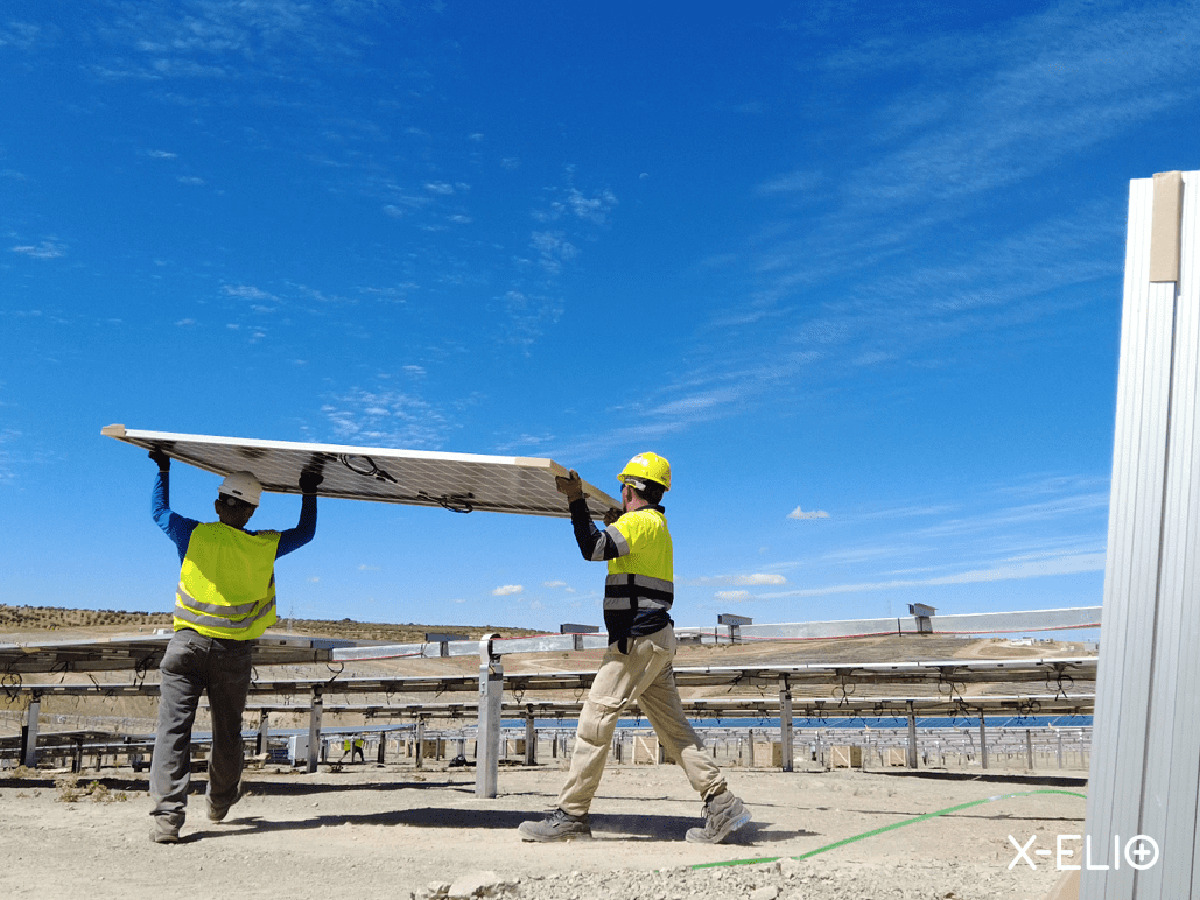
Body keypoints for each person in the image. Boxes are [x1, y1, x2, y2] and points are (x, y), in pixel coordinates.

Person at [518, 452, 751, 844]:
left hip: (637, 642)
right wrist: (614, 522)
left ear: (630, 489)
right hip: (656, 639)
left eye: (622, 487)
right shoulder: (655, 526)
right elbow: (619, 552)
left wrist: (576, 498)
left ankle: (571, 815)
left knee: (594, 723)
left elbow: (591, 548)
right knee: (674, 730)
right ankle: (722, 803)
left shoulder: (638, 522)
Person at [147, 449, 321, 843]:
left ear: (217, 504)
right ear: (252, 512)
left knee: (172, 732)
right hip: (234, 654)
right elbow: (305, 532)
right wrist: (309, 489)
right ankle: (220, 802)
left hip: (185, 647)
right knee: (228, 733)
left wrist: (163, 468)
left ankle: (167, 820)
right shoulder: (264, 546)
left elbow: (159, 511)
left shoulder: (194, 534)